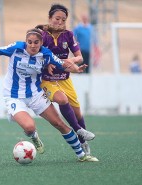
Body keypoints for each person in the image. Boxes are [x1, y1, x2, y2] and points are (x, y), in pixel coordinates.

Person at [0, 28, 98, 162]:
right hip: (13, 95)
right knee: (29, 127)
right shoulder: (17, 48)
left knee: (59, 123)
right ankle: (34, 137)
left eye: (36, 42)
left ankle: (81, 155)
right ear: (26, 41)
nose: (32, 45)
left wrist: (76, 69)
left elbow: (63, 64)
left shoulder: (46, 54)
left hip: (35, 94)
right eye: (29, 42)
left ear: (41, 42)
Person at [36, 4, 97, 158]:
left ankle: (83, 143)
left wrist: (72, 60)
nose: (60, 22)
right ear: (50, 18)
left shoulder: (68, 35)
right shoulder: (41, 35)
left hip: (64, 78)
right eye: (57, 18)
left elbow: (80, 56)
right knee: (62, 100)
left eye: (63, 20)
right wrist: (47, 62)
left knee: (77, 112)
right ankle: (78, 130)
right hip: (46, 79)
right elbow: (34, 55)